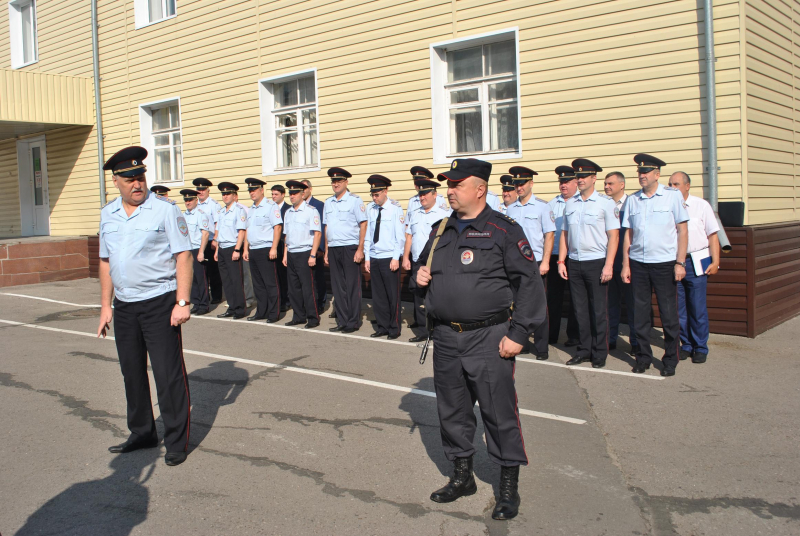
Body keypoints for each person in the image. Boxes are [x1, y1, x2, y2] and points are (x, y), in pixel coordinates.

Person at [413, 158, 546, 521]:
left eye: (456, 184)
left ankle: (507, 488)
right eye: (448, 184)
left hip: (489, 337)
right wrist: (419, 276)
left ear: (479, 189)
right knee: (452, 412)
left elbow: (530, 284)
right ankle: (462, 477)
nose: (449, 190)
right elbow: (420, 269)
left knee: (499, 413)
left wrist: (519, 334)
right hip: (445, 336)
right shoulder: (441, 229)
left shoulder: (503, 230)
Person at [96, 146, 192, 467]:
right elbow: (106, 262)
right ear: (116, 181)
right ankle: (142, 432)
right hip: (124, 306)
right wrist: (105, 307)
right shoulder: (107, 214)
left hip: (160, 302)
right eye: (129, 179)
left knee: (167, 374)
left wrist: (182, 301)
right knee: (131, 372)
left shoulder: (164, 210)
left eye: (140, 177)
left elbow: (183, 257)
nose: (137, 184)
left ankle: (176, 440)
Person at [621, 154, 689, 377]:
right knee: (639, 314)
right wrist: (625, 264)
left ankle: (670, 358)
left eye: (646, 172)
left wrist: (680, 262)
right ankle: (643, 357)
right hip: (639, 264)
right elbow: (628, 235)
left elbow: (682, 231)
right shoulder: (633, 200)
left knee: (669, 315)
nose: (641, 176)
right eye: (639, 172)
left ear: (657, 175)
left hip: (664, 263)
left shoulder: (671, 197)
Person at [557, 159, 619, 369]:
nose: (580, 180)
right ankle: (584, 350)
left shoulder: (605, 203)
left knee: (598, 311)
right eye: (578, 177)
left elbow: (613, 236)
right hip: (575, 262)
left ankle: (599, 352)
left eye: (584, 177)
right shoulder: (570, 203)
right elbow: (565, 234)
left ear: (594, 178)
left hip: (597, 262)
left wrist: (609, 265)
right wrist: (561, 260)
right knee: (580, 310)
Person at [668, 171, 720, 364]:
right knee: (679, 307)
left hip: (697, 259)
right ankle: (686, 345)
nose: (672, 188)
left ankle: (700, 347)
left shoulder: (701, 206)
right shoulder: (667, 206)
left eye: (676, 184)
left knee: (697, 306)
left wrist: (715, 262)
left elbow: (712, 235)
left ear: (687, 186)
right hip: (675, 262)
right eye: (670, 184)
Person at [505, 165, 556, 360]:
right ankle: (522, 342)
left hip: (536, 262)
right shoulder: (510, 209)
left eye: (522, 183)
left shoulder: (543, 207)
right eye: (516, 184)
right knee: (518, 304)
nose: (519, 188)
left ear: (531, 184)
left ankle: (542, 348)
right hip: (516, 262)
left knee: (539, 305)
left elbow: (549, 235)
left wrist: (545, 262)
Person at [403, 177, 451, 340]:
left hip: (436, 263)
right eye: (420, 194)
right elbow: (409, 236)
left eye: (426, 194)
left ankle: (439, 330)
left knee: (437, 296)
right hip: (417, 261)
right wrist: (405, 257)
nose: (422, 197)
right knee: (418, 297)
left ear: (435, 195)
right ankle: (423, 332)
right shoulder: (415, 214)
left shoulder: (444, 214)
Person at [323, 167, 368, 333]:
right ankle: (342, 320)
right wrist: (327, 250)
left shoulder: (355, 200)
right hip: (334, 248)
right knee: (338, 287)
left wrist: (360, 249)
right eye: (333, 182)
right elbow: (327, 227)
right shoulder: (328, 202)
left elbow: (363, 224)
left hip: (350, 247)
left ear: (346, 182)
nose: (336, 184)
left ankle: (353, 322)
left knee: (351, 286)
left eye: (339, 181)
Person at [363, 175, 406, 340]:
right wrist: (367, 257)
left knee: (392, 295)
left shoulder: (395, 209)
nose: (375, 197)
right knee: (378, 295)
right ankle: (382, 326)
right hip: (374, 256)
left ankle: (394, 328)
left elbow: (400, 236)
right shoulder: (371, 209)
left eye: (377, 194)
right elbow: (368, 234)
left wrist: (396, 257)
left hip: (389, 257)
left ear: (385, 191)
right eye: (372, 194)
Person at [603, 171, 638, 353]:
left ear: (622, 185)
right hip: (608, 262)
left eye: (611, 184)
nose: (607, 187)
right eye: (605, 184)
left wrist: (628, 263)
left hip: (628, 262)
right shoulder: (602, 203)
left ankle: (636, 342)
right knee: (610, 304)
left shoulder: (632, 203)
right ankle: (610, 339)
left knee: (633, 305)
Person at [547, 166, 580, 346]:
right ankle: (551, 335)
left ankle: (574, 336)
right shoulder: (552, 204)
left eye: (567, 182)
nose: (563, 185)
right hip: (554, 256)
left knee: (576, 297)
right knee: (554, 297)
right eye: (561, 182)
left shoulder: (581, 202)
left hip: (574, 255)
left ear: (576, 182)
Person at [243, 177, 283, 323]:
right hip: (253, 249)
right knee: (258, 284)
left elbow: (277, 227)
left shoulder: (271, 206)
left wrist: (274, 247)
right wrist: (246, 248)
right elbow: (248, 229)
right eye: (250, 191)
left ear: (261, 190)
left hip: (266, 249)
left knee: (270, 283)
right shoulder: (252, 209)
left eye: (254, 190)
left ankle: (273, 313)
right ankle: (262, 311)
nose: (252, 193)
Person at [283, 180, 322, 328]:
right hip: (292, 252)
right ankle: (298, 316)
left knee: (308, 288)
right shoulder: (288, 212)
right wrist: (286, 255)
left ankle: (313, 317)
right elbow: (287, 236)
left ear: (302, 194)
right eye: (290, 193)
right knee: (293, 288)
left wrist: (312, 255)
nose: (292, 196)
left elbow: (317, 234)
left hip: (305, 252)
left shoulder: (311, 211)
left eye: (295, 193)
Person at [214, 182, 247, 319]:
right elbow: (219, 233)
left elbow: (241, 231)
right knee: (226, 281)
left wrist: (237, 249)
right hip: (222, 248)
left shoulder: (239, 210)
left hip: (232, 248)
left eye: (228, 194)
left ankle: (240, 309)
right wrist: (216, 250)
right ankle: (231, 307)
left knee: (236, 280)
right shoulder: (222, 212)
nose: (225, 196)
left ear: (235, 196)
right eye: (223, 194)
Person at [180, 188, 212, 316]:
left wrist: (201, 252)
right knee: (191, 278)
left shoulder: (200, 214)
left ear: (196, 200)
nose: (188, 202)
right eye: (186, 200)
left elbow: (205, 234)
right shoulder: (184, 215)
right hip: (187, 249)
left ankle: (204, 305)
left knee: (201, 278)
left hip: (197, 248)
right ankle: (196, 302)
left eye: (190, 200)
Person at [193, 178, 224, 304]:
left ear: (208, 190)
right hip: (198, 241)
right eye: (199, 190)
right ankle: (203, 295)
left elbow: (217, 223)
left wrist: (215, 239)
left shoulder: (213, 205)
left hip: (210, 239)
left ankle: (216, 296)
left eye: (203, 190)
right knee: (201, 272)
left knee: (213, 270)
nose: (201, 192)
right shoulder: (195, 204)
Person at [302, 179, 327, 313]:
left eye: (305, 188)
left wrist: (321, 248)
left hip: (316, 248)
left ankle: (321, 301)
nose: (303, 191)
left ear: (310, 189)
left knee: (318, 277)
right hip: (303, 247)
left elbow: (322, 227)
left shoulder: (318, 205)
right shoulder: (298, 206)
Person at [272, 184, 291, 311]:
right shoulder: (270, 208)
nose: (273, 197)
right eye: (272, 194)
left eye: (276, 194)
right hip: (274, 244)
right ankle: (279, 299)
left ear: (283, 195)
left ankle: (287, 300)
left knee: (285, 274)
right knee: (276, 274)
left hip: (285, 244)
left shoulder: (288, 209)